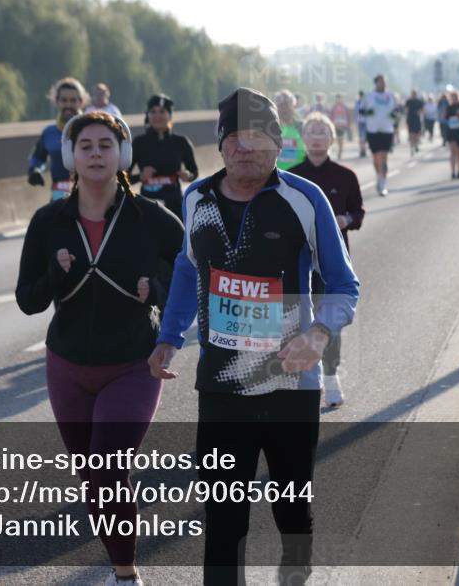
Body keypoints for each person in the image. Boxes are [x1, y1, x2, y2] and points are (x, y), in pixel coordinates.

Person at [148, 87, 359, 586]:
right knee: (223, 523)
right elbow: (186, 267)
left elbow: (343, 282)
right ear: (220, 146)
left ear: (278, 142)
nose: (246, 148)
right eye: (235, 138)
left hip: (290, 385)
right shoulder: (196, 196)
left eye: (258, 136)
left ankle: (295, 572)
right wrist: (169, 335)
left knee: (291, 510)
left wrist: (320, 334)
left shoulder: (304, 199)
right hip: (222, 388)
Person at [16, 111, 183, 586]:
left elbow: (190, 268)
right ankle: (119, 560)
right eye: (84, 145)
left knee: (110, 471)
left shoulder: (151, 217)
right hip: (67, 365)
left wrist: (158, 286)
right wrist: (56, 273)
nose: (95, 153)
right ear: (70, 157)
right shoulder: (49, 222)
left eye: (105, 145)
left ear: (123, 155)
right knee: (93, 480)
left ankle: (126, 575)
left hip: (132, 363)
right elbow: (29, 301)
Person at [289, 112, 364, 407]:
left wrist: (346, 219)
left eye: (323, 131)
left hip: (332, 262)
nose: (317, 136)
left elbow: (358, 212)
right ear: (303, 138)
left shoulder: (346, 176)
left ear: (332, 138)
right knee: (296, 317)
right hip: (297, 262)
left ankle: (331, 376)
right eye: (311, 131)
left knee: (328, 317)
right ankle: (298, 375)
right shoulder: (292, 177)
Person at [129, 94, 199, 219]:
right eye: (153, 112)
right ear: (147, 115)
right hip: (147, 205)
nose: (157, 116)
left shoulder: (181, 142)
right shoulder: (138, 143)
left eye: (162, 111)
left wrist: (188, 176)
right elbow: (122, 177)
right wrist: (140, 176)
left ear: (170, 115)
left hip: (175, 205)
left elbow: (194, 172)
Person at [29, 77, 88, 201]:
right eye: (64, 100)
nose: (68, 105)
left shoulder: (92, 129)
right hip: (59, 194)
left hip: (90, 195)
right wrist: (35, 170)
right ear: (56, 101)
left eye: (73, 100)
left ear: (81, 102)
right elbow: (38, 158)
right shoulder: (49, 133)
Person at [361, 74, 397, 195]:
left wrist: (394, 118)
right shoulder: (369, 97)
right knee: (376, 157)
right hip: (373, 130)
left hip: (387, 130)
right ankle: (379, 176)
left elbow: (397, 111)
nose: (383, 84)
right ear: (375, 83)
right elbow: (361, 112)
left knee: (384, 156)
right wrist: (367, 115)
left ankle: (383, 183)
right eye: (381, 82)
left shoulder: (391, 96)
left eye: (385, 81)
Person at [274, 89, 306, 170]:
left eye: (286, 104)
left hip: (299, 174)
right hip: (276, 175)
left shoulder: (303, 127)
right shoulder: (269, 128)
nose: (283, 108)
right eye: (280, 104)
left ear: (294, 106)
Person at [327, 93, 351, 160]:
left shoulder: (344, 107)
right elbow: (330, 116)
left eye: (340, 98)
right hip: (335, 126)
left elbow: (348, 116)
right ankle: (331, 153)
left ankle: (339, 154)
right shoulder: (333, 107)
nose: (338, 100)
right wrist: (330, 124)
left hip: (342, 126)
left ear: (342, 99)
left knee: (341, 141)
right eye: (337, 98)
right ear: (336, 99)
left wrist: (348, 124)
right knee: (333, 141)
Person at [404, 90, 425, 156]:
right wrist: (406, 118)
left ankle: (416, 144)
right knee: (411, 133)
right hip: (410, 119)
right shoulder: (408, 101)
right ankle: (412, 147)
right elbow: (406, 110)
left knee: (418, 133)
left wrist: (419, 112)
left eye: (414, 94)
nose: (413, 95)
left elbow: (422, 110)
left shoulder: (419, 101)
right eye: (412, 94)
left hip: (417, 119)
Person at [354, 90, 367, 158]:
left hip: (365, 122)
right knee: (361, 137)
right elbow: (356, 112)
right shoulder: (357, 102)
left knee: (363, 137)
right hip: (360, 121)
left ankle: (363, 150)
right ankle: (362, 150)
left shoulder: (365, 102)